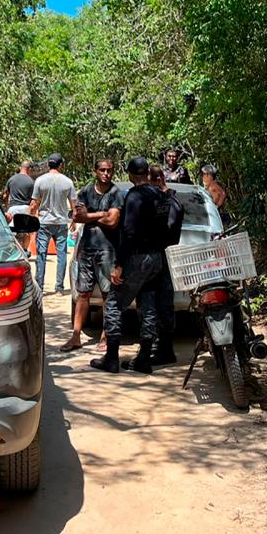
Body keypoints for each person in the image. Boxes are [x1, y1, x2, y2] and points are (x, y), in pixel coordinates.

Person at [91, 157, 172, 375]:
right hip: (156, 258)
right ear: (147, 173)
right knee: (148, 307)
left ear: (129, 175)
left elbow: (129, 232)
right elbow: (167, 227)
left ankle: (111, 358)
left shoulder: (135, 196)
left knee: (114, 305)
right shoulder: (160, 195)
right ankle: (144, 359)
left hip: (137, 258)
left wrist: (119, 264)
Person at [60, 159, 123, 353]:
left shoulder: (116, 193)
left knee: (107, 294)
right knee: (83, 293)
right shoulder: (86, 191)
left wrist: (91, 215)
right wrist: (100, 214)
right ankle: (76, 335)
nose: (106, 173)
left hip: (107, 250)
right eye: (102, 170)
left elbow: (113, 221)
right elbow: (77, 216)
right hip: (86, 248)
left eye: (109, 170)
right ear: (95, 171)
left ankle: (105, 337)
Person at [147, 164, 185, 366]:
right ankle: (159, 349)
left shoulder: (170, 202)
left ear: (159, 180)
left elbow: (169, 229)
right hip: (157, 259)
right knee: (155, 305)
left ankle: (163, 350)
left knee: (161, 306)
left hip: (163, 258)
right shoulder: (164, 200)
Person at [29, 153, 76, 294]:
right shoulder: (67, 182)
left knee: (41, 254)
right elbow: (74, 203)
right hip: (61, 223)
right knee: (61, 254)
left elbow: (33, 204)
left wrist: (31, 219)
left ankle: (40, 286)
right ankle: (60, 287)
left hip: (44, 223)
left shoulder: (40, 181)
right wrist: (74, 219)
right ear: (61, 165)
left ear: (48, 165)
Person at [3, 160, 35, 254]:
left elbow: (5, 195)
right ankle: (24, 251)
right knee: (27, 231)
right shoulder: (31, 181)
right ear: (29, 169)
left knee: (11, 231)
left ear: (20, 168)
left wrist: (6, 205)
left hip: (13, 207)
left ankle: (10, 251)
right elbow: (34, 199)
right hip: (25, 207)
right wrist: (32, 212)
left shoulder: (12, 179)